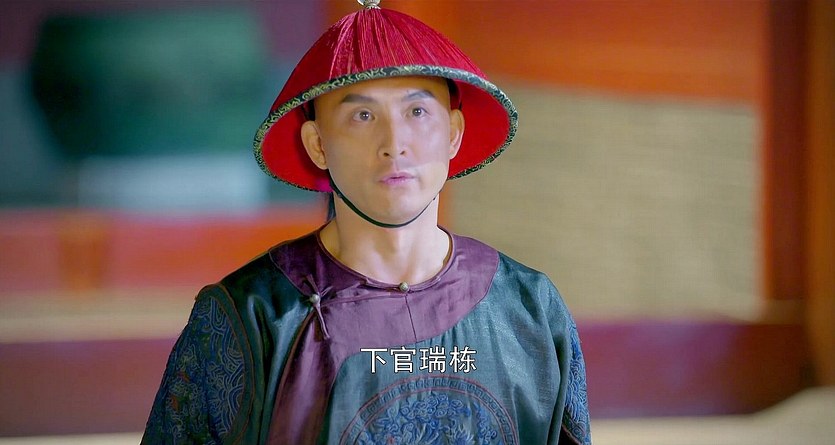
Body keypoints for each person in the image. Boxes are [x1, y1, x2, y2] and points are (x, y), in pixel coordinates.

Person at [142, 1, 591, 444]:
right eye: (362, 116)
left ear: (454, 133)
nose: (394, 144)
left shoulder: (529, 310)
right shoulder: (252, 318)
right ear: (317, 145)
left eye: (417, 112)